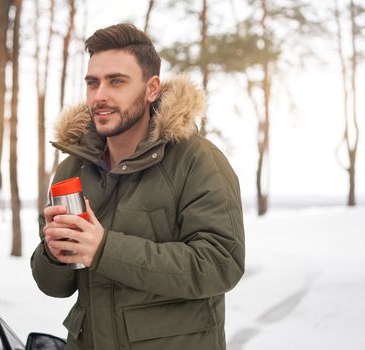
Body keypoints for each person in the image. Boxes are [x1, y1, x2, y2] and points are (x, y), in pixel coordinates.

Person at [31, 23, 245, 350]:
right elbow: (55, 287)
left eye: (117, 81)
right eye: (93, 83)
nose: (100, 95)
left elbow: (220, 264)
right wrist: (53, 252)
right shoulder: (72, 168)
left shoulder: (197, 160)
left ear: (151, 88)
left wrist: (104, 249)